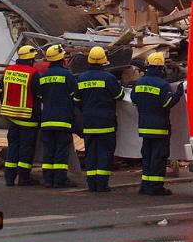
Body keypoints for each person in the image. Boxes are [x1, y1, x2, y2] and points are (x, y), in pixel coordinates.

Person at [131, 51, 184, 196]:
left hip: (144, 127)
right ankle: (156, 187)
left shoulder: (140, 82)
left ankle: (145, 185)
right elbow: (167, 103)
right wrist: (178, 93)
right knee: (158, 157)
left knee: (147, 156)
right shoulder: (162, 84)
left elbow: (133, 99)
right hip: (159, 128)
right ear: (161, 68)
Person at [74, 46, 124, 192]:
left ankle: (92, 183)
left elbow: (76, 100)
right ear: (103, 61)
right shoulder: (108, 78)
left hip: (89, 123)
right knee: (104, 153)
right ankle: (102, 184)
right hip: (106, 123)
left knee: (91, 153)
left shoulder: (81, 78)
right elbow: (119, 96)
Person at [0, 45, 42, 186]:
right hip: (28, 118)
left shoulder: (7, 71)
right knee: (26, 149)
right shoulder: (32, 73)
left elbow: (1, 92)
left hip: (11, 117)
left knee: (13, 147)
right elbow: (39, 95)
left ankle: (9, 178)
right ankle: (24, 177)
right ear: (30, 59)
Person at [38, 44, 78, 188]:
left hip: (47, 120)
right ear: (62, 59)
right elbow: (75, 98)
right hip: (63, 120)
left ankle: (48, 179)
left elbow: (41, 97)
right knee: (61, 151)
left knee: (48, 151)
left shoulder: (43, 77)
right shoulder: (67, 76)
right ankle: (60, 180)